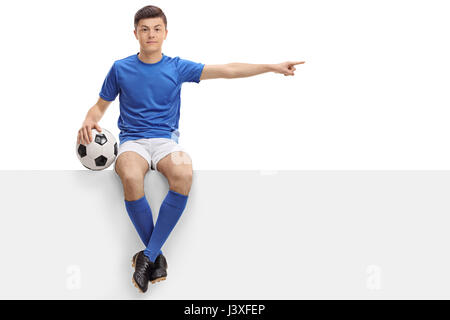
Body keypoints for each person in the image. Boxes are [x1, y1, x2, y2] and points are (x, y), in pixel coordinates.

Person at [76, 5, 304, 294]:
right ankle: (153, 257)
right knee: (131, 176)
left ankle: (147, 256)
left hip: (166, 142)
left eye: (157, 29)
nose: (151, 34)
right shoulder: (120, 68)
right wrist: (88, 119)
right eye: (144, 29)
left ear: (165, 33)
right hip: (132, 141)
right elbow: (99, 106)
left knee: (184, 172)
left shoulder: (176, 66)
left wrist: (271, 67)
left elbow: (227, 70)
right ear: (135, 34)